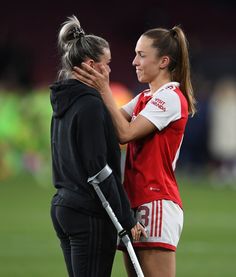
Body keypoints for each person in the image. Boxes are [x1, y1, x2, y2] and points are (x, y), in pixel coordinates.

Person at [73, 25, 196, 277]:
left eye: (141, 55)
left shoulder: (170, 97)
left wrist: (104, 88)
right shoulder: (144, 97)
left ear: (163, 61)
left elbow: (124, 133)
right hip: (134, 201)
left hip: (156, 200)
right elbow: (108, 123)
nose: (134, 62)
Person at [49, 15, 146, 277]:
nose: (110, 70)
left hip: (64, 205)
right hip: (88, 211)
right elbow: (98, 170)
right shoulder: (91, 104)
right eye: (107, 64)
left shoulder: (63, 100)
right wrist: (126, 218)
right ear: (92, 65)